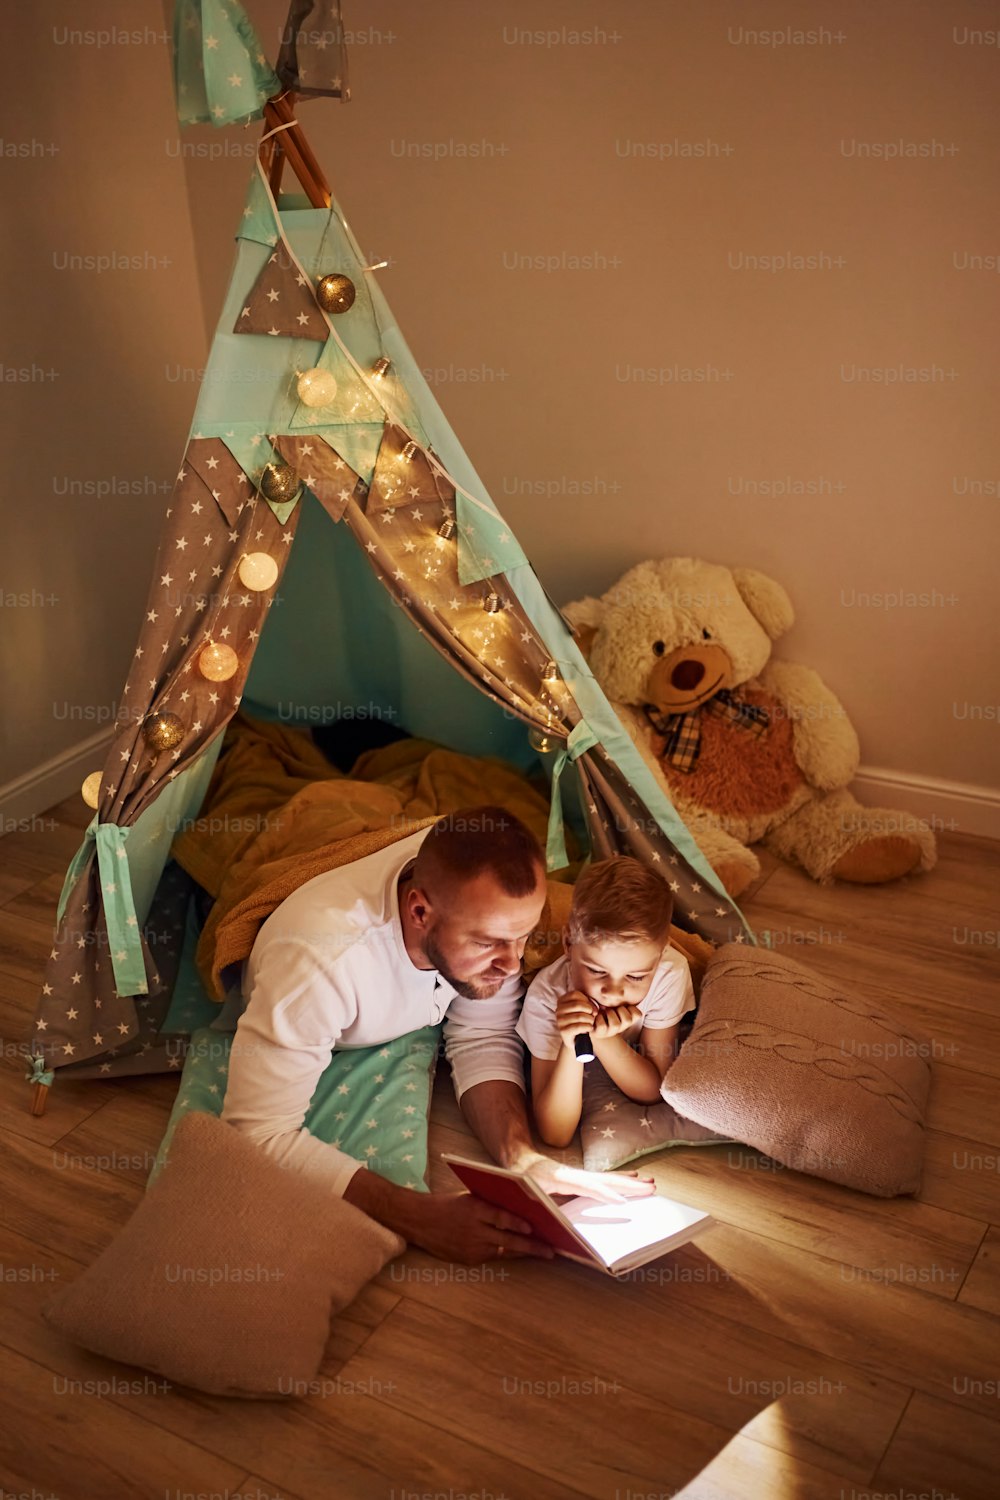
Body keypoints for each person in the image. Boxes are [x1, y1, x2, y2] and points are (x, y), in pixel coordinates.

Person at [221, 805, 654, 1264]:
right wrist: (415, 1215)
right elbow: (254, 1132)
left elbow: (482, 1033)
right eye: (488, 943)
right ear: (420, 911)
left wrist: (522, 1159)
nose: (513, 965)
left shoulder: (481, 912)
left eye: (524, 936)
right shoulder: (321, 965)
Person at [516, 856, 695, 1149]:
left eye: (636, 977)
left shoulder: (669, 974)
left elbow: (653, 1091)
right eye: (597, 971)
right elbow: (555, 1133)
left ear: (660, 956)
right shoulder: (547, 997)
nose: (612, 992)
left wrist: (604, 1041)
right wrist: (571, 1041)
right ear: (569, 945)